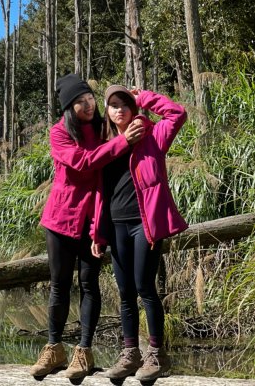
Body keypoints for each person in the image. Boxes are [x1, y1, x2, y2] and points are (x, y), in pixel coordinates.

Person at [29, 74, 144, 380]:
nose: (88, 104)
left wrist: (136, 98)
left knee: (90, 285)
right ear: (69, 106)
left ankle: (84, 351)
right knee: (59, 285)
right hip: (60, 219)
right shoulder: (59, 133)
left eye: (91, 98)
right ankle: (54, 348)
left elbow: (124, 114)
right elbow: (83, 162)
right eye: (80, 101)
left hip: (93, 219)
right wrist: (121, 142)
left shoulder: (104, 128)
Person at [91, 85, 188, 382]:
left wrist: (144, 95)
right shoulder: (106, 144)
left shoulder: (153, 136)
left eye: (125, 104)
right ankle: (130, 353)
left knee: (145, 288)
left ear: (133, 108)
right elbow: (101, 193)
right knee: (124, 293)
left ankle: (157, 354)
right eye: (113, 105)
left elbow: (178, 113)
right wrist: (98, 232)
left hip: (145, 225)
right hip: (117, 225)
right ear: (107, 112)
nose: (119, 109)